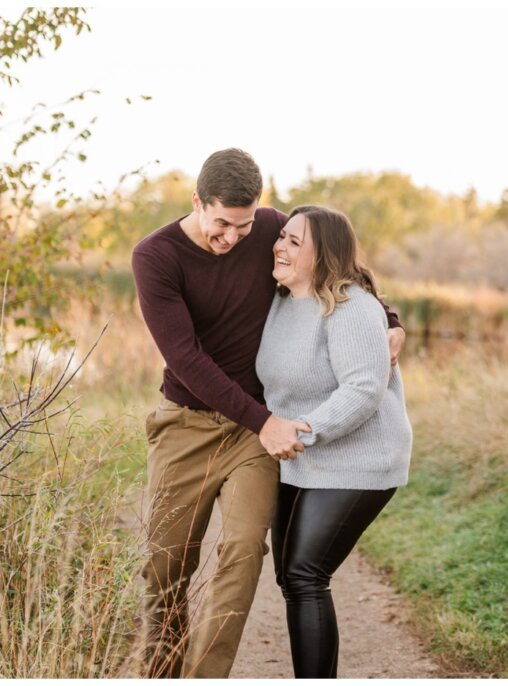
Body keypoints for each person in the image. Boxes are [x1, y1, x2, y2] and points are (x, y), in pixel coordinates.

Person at [131, 150, 405, 678]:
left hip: (255, 430)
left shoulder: (272, 229)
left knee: (240, 552)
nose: (233, 237)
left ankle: (206, 676)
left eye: (245, 224)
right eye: (221, 225)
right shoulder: (156, 257)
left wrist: (387, 319)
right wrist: (266, 423)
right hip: (185, 425)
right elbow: (186, 359)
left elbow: (337, 266)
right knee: (166, 568)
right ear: (197, 202)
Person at [256, 205, 413, 678]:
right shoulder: (281, 300)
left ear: (324, 256)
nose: (279, 246)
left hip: (361, 459)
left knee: (305, 574)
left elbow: (365, 391)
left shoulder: (351, 307)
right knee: (291, 575)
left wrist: (301, 431)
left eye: (294, 242)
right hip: (304, 456)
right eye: (281, 236)